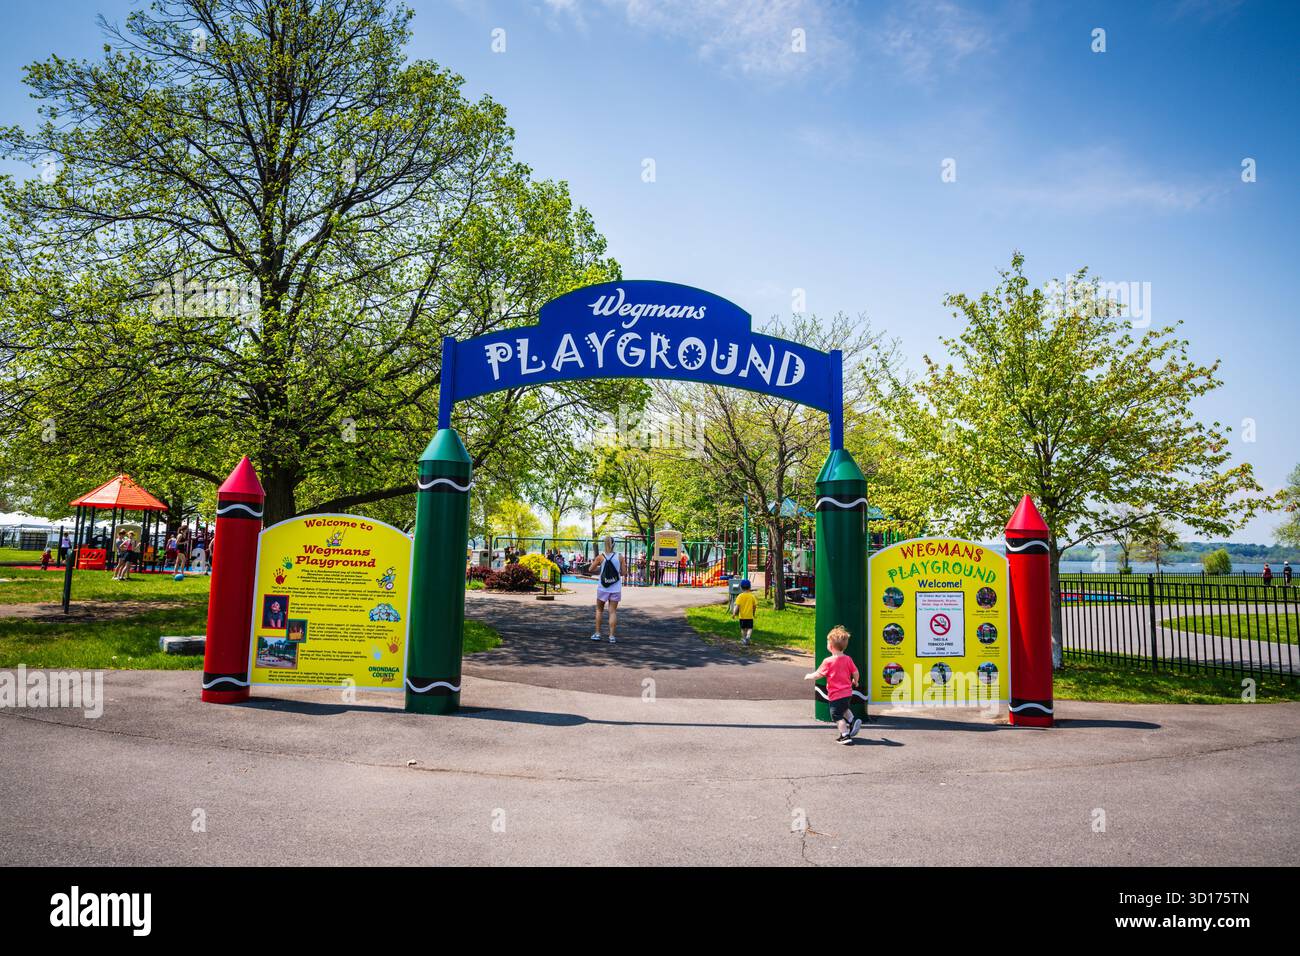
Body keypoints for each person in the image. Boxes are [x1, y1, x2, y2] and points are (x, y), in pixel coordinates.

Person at [804, 626, 862, 745]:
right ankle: (853, 720)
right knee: (844, 708)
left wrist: (809, 676)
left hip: (836, 694)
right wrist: (855, 681)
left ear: (830, 646)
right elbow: (856, 672)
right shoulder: (848, 659)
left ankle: (845, 735)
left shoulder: (828, 661)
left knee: (837, 716)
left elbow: (819, 674)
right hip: (847, 693)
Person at [588, 535, 623, 644]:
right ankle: (612, 636)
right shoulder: (620, 557)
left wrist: (602, 570)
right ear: (614, 544)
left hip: (603, 587)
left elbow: (590, 569)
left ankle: (597, 634)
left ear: (605, 544)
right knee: (612, 611)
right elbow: (625, 573)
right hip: (616, 587)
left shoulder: (600, 557)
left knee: (599, 610)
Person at [733, 577, 757, 646]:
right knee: (750, 628)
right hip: (749, 616)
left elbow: (736, 606)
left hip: (742, 616)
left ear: (741, 587)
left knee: (743, 629)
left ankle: (744, 639)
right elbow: (754, 606)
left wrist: (734, 613)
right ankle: (748, 637)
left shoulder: (740, 596)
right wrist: (754, 613)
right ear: (750, 587)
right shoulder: (752, 596)